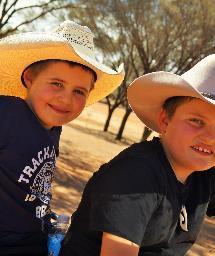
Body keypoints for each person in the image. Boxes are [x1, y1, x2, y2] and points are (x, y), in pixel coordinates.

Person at [60, 54, 215, 256]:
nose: (209, 137)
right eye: (196, 121)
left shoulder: (202, 176)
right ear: (165, 120)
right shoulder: (137, 175)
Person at [0, 20, 124, 255]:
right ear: (29, 78)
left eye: (79, 91)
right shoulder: (8, 113)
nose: (66, 99)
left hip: (33, 240)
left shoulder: (53, 128)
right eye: (57, 84)